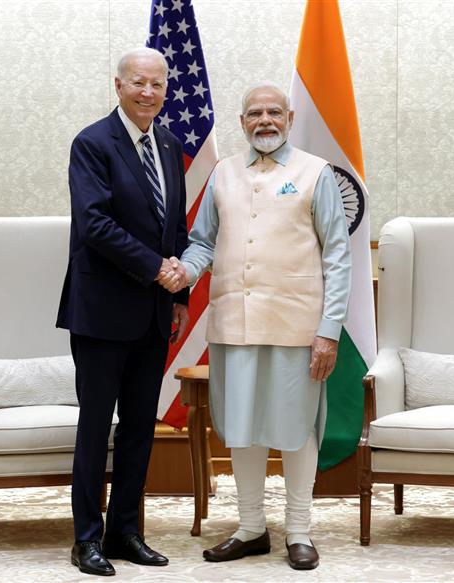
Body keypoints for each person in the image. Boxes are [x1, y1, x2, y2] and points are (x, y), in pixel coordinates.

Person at [162, 83, 351, 570]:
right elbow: (201, 242)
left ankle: (301, 531)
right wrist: (184, 271)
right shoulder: (224, 174)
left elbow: (337, 254)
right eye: (254, 114)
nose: (264, 121)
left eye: (273, 112)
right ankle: (250, 528)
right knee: (242, 429)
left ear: (288, 117)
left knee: (295, 430)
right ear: (241, 121)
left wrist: (328, 329)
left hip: (297, 327)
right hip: (234, 326)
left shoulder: (316, 173)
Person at [56, 47, 190, 577]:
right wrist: (157, 268)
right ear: (118, 85)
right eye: (139, 83)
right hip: (102, 312)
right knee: (95, 427)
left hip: (154, 313)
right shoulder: (92, 143)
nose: (149, 93)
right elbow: (95, 225)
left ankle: (124, 532)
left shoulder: (170, 143)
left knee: (139, 427)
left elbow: (173, 227)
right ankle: (86, 538)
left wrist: (177, 295)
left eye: (157, 84)